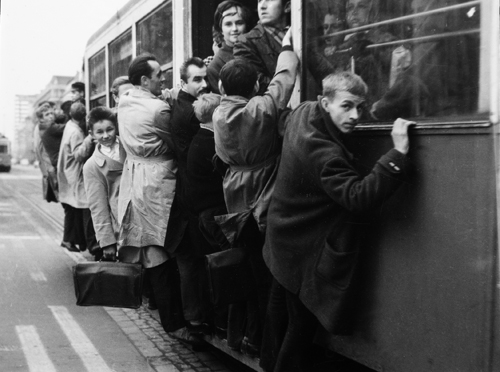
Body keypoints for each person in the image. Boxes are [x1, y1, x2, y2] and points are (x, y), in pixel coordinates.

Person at [260, 72, 415, 371]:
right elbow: (357, 197)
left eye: (360, 107)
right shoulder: (323, 152)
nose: (355, 115)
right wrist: (397, 154)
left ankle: (267, 365)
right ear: (325, 102)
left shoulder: (304, 112)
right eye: (347, 106)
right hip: (301, 248)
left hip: (283, 239)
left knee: (278, 317)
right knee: (300, 329)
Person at [213, 27, 298, 356]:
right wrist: (287, 47)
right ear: (255, 86)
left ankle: (245, 336)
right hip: (263, 193)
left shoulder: (219, 113)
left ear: (221, 87)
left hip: (235, 196)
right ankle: (264, 344)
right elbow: (284, 81)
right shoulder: (260, 108)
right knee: (266, 274)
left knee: (247, 269)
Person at [116, 53, 185, 336]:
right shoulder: (158, 110)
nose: (163, 78)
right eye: (159, 75)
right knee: (160, 247)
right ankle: (174, 323)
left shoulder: (125, 101)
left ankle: (160, 309)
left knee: (147, 244)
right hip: (158, 180)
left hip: (134, 178)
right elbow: (178, 142)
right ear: (145, 80)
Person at [169, 56, 212, 343]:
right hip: (192, 199)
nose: (204, 83)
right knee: (192, 262)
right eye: (197, 79)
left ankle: (196, 320)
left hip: (186, 196)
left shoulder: (182, 105)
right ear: (183, 83)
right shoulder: (191, 113)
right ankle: (196, 322)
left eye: (205, 77)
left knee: (191, 262)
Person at [83, 107, 126, 262]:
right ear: (91, 134)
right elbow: (98, 207)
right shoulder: (92, 166)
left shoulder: (130, 146)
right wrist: (107, 242)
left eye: (110, 129)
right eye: (100, 132)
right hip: (122, 226)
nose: (106, 135)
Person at [57, 102, 97, 254]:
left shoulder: (69, 126)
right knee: (82, 207)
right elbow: (79, 155)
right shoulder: (76, 133)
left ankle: (73, 240)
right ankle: (83, 242)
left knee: (72, 209)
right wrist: (89, 139)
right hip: (75, 174)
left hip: (68, 173)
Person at [233, 0, 290, 95]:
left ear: (287, 6)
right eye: (259, 1)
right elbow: (258, 83)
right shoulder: (245, 42)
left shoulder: (300, 34)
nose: (262, 6)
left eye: (269, 0)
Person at [207, 1, 254, 94]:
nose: (234, 29)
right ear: (220, 29)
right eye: (228, 24)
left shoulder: (256, 49)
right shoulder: (215, 66)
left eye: (239, 23)